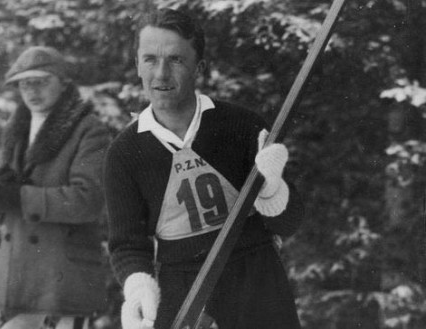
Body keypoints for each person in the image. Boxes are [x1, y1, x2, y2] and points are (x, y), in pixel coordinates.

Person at [103, 8, 304, 329]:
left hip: (256, 280)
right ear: (137, 65)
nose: (161, 74)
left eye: (176, 60)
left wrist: (272, 189)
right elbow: (127, 243)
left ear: (200, 67)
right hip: (182, 289)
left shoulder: (241, 125)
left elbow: (289, 222)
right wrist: (139, 289)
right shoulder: (125, 153)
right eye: (150, 59)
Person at [0, 46, 112, 329]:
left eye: (42, 81)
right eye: (25, 83)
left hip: (63, 282)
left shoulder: (89, 129)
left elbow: (87, 200)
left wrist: (19, 198)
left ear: (63, 84)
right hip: (17, 280)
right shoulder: (17, 128)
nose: (32, 90)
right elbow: (1, 183)